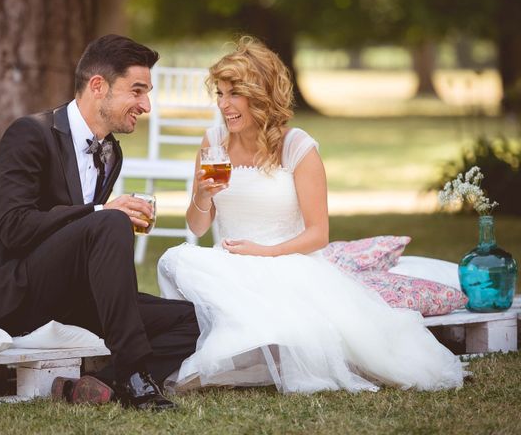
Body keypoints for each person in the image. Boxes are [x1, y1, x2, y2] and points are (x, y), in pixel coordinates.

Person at [157, 36, 465, 394]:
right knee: (174, 260)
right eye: (220, 95)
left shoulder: (296, 146)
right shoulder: (213, 143)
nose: (225, 106)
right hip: (231, 261)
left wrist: (263, 252)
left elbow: (318, 234)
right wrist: (203, 196)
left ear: (260, 95)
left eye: (234, 94)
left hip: (287, 259)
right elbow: (196, 225)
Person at [0, 34, 199, 410]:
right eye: (137, 91)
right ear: (98, 86)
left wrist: (102, 221)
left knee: (192, 321)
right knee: (109, 222)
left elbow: (85, 233)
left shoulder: (111, 153)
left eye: (148, 93)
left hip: (72, 295)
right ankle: (136, 377)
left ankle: (94, 385)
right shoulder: (29, 133)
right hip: (15, 294)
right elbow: (14, 229)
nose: (146, 105)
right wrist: (100, 214)